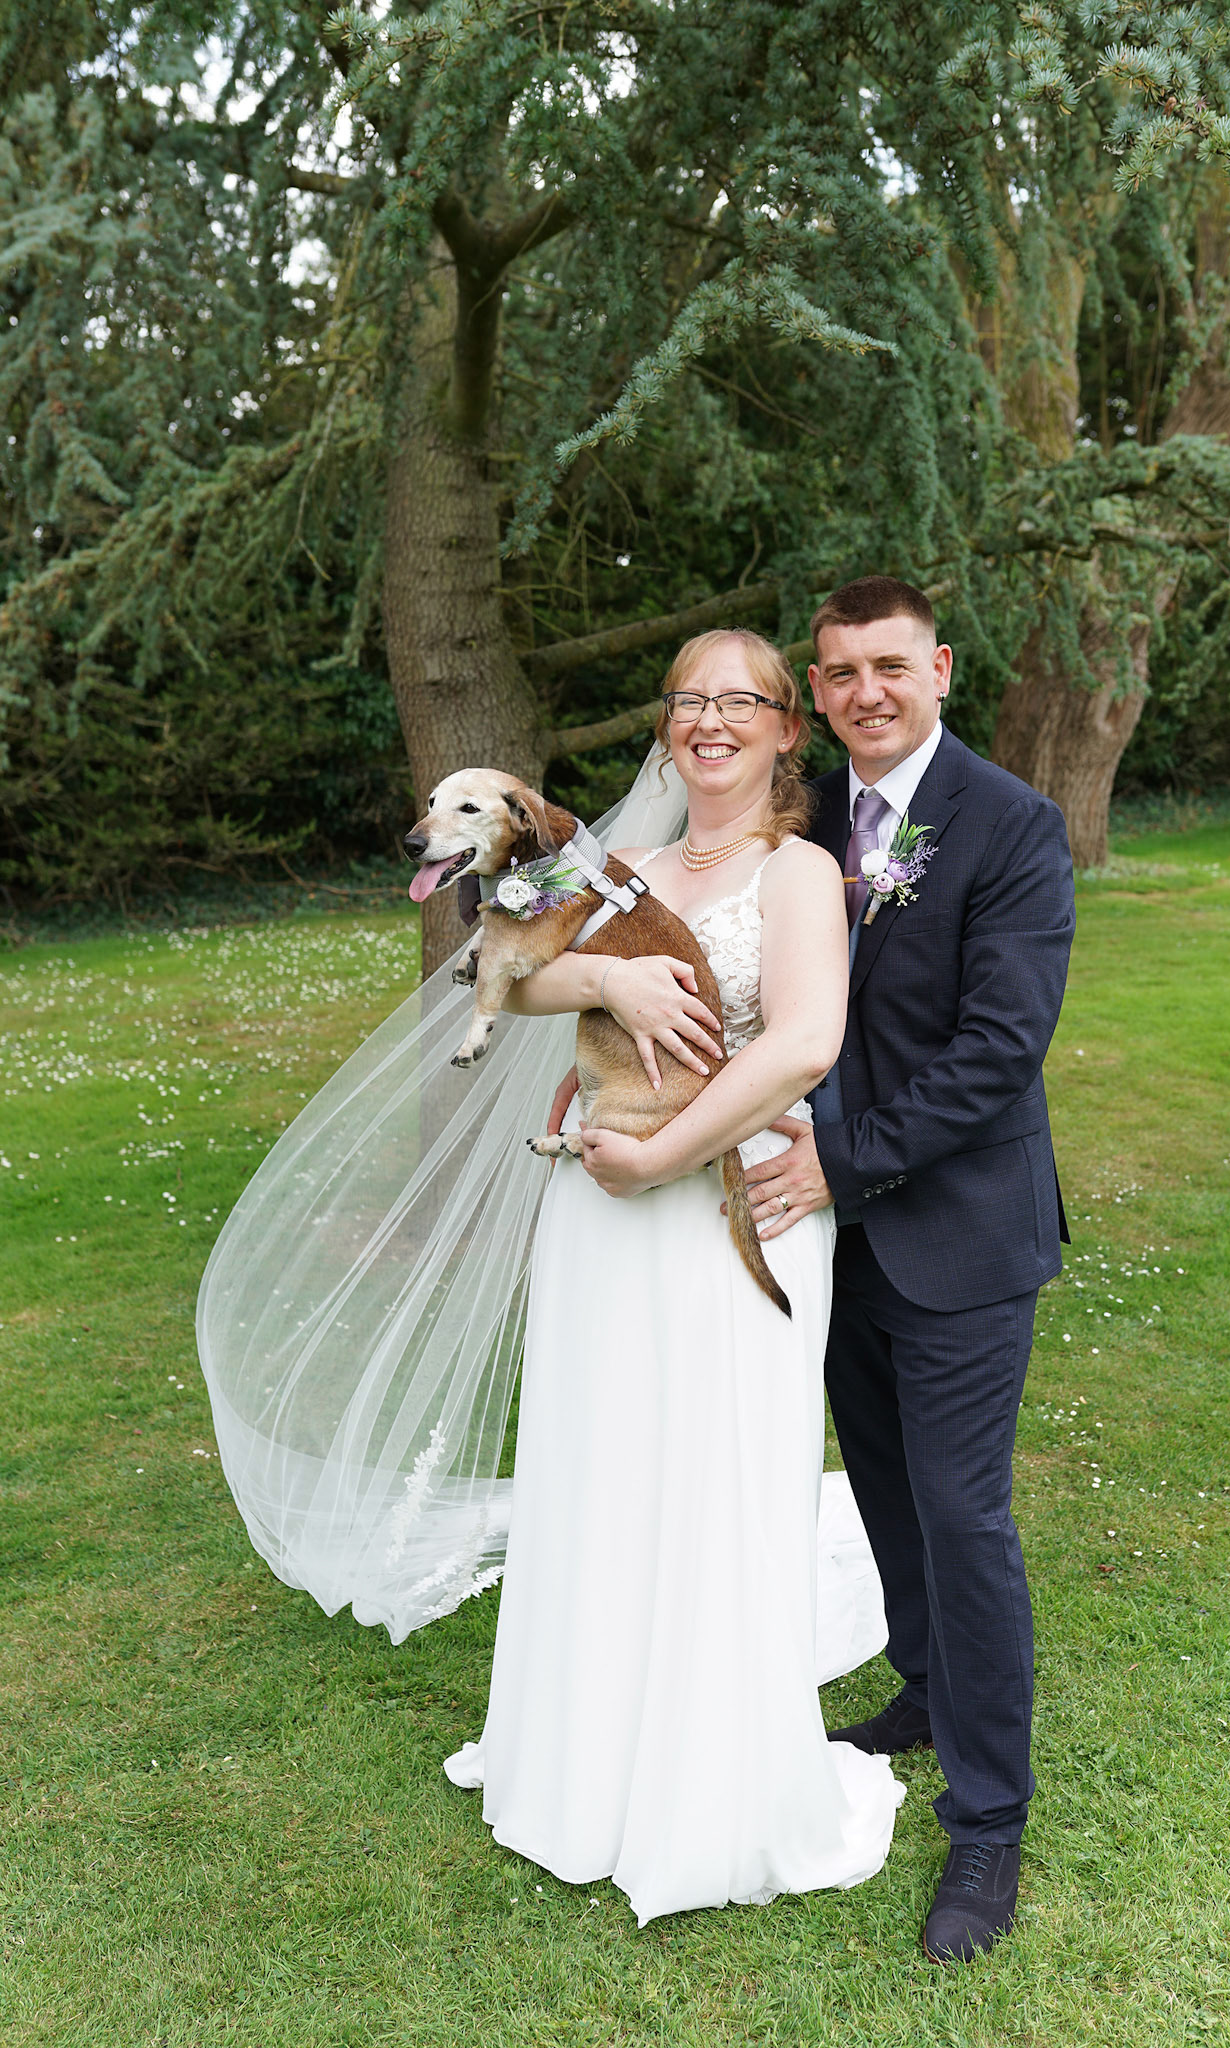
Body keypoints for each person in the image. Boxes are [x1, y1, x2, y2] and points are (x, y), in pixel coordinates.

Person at [441, 628, 905, 1925]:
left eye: (738, 701)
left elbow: (803, 1044)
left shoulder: (799, 872)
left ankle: (705, 1788)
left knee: (715, 1469)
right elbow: (514, 970)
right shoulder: (618, 865)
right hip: (597, 1216)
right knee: (599, 1461)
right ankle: (581, 1765)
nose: (708, 720)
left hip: (725, 1200)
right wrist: (611, 978)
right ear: (667, 727)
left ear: (785, 729)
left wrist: (661, 1155)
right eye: (688, 699)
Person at [740, 576, 1075, 1962]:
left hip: (960, 1230)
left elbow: (1000, 1049)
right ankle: (926, 1692)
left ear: (938, 668)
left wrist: (844, 1160)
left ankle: (988, 1822)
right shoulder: (802, 819)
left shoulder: (1011, 824)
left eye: (889, 666)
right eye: (838, 673)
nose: (864, 692)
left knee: (960, 1512)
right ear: (815, 692)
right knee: (880, 1488)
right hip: (839, 1241)